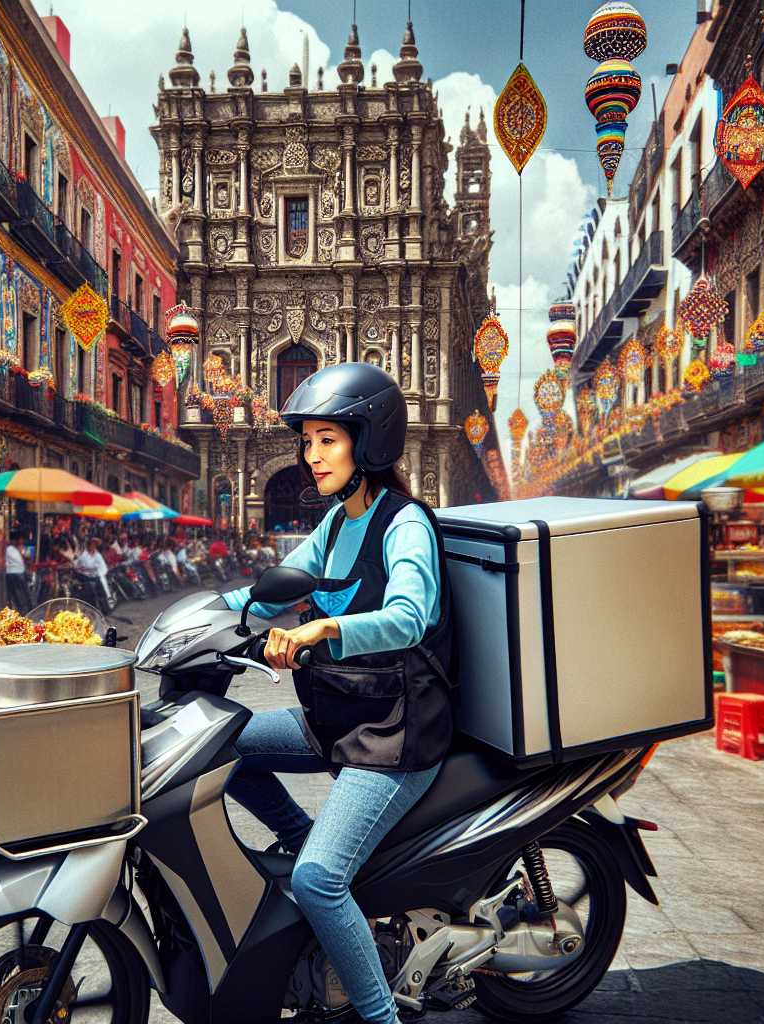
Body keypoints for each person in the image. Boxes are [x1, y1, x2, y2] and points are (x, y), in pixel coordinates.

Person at [225, 362, 455, 1024]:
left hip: (394, 733)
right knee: (227, 747)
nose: (311, 454)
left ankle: (379, 1017)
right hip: (341, 715)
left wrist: (327, 626)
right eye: (307, 440)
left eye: (328, 438)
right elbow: (276, 584)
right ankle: (306, 837)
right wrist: (199, 618)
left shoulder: (404, 523)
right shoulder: (337, 520)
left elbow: (411, 615)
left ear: (369, 441)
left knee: (317, 880)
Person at [74, 536, 114, 608]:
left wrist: (101, 573)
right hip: (85, 576)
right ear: (88, 546)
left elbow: (103, 566)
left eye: (95, 545)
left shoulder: (98, 555)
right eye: (92, 545)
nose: (94, 546)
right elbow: (83, 567)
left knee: (103, 582)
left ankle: (107, 603)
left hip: (97, 575)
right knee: (95, 583)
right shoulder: (83, 556)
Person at [3, 530, 31, 611]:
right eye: (21, 539)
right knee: (19, 597)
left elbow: (26, 558)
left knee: (21, 596)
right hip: (14, 575)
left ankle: (23, 611)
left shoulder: (15, 549)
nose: (22, 541)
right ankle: (22, 611)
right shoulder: (10, 549)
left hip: (18, 574)